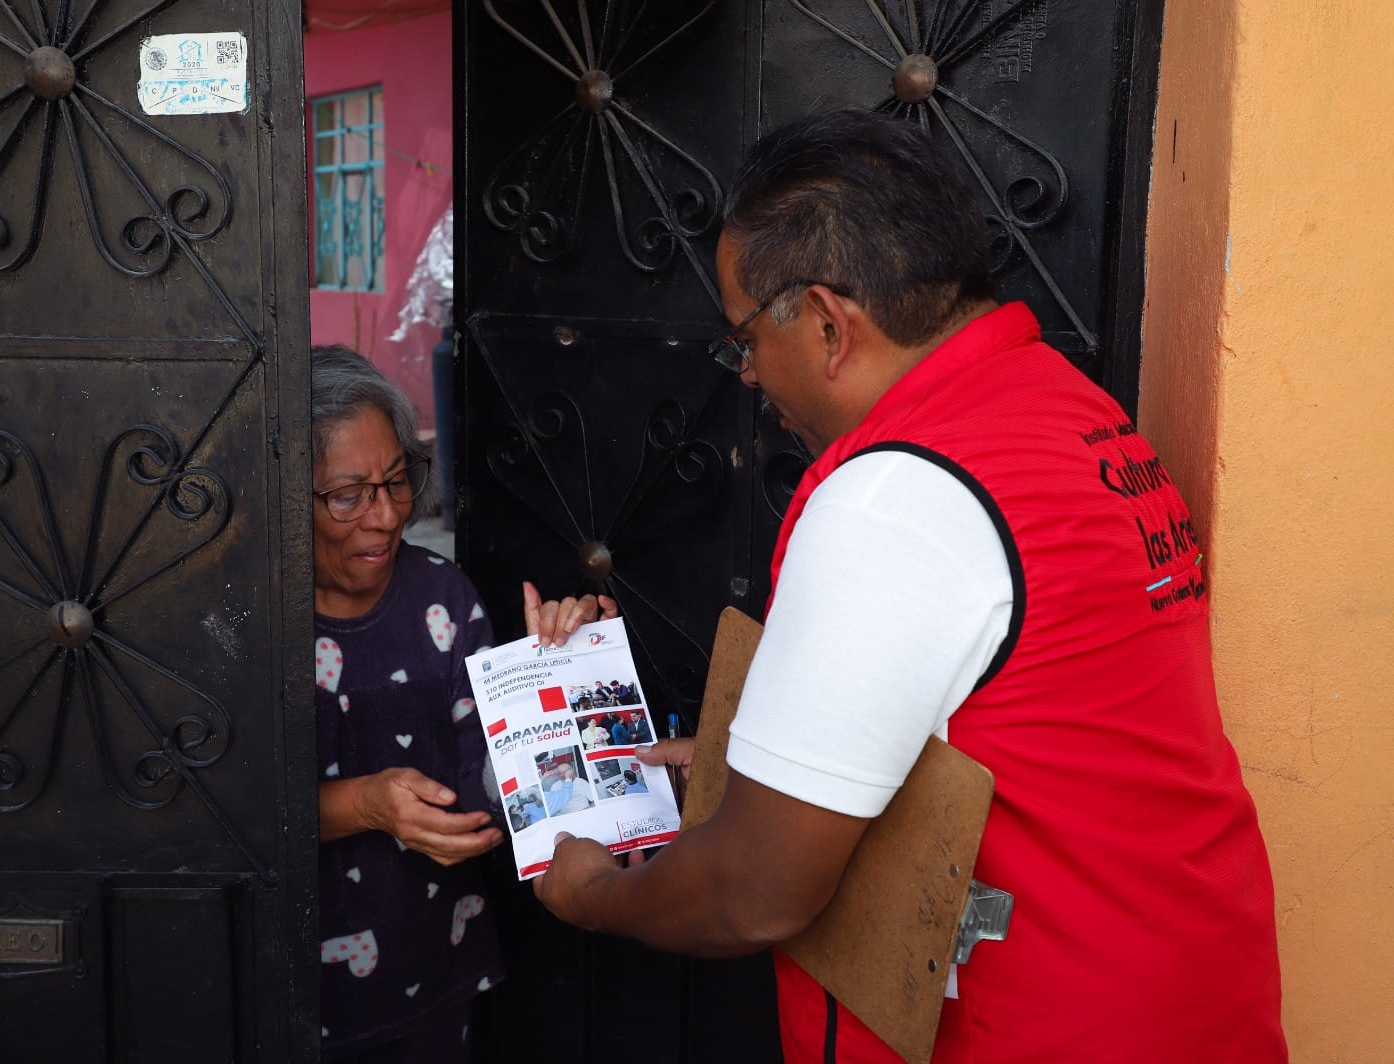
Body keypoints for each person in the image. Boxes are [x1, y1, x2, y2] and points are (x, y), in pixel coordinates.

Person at [532, 109, 1286, 1063]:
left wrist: (595, 894)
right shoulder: (1070, 409)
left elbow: (755, 893)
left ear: (825, 322)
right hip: (1180, 991)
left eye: (744, 340)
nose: (752, 375)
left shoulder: (893, 494)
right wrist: (764, 763)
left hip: (1033, 1023)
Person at [310, 345, 610, 1063]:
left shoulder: (442, 596)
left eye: (398, 480)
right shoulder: (245, 616)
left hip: (432, 966)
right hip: (289, 986)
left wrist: (562, 681)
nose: (385, 517)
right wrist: (364, 804)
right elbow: (215, 811)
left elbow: (497, 775)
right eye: (349, 495)